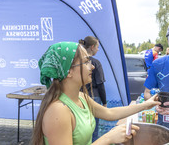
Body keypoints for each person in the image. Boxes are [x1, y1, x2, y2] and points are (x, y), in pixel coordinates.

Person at [31, 41, 161, 145]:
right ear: (68, 71)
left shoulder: (81, 97)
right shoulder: (58, 111)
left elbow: (109, 113)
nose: (92, 66)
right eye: (86, 61)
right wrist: (108, 138)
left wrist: (146, 104)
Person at [79, 36, 106, 142]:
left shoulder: (78, 61)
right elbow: (100, 84)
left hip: (82, 97)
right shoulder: (96, 63)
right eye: (98, 47)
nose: (98, 50)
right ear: (92, 47)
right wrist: (104, 103)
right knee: (93, 128)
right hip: (94, 96)